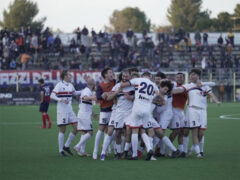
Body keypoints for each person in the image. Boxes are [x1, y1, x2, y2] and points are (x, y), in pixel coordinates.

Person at [172, 68, 221, 158]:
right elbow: (178, 90)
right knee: (189, 131)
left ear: (198, 76)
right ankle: (197, 152)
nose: (191, 76)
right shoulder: (188, 85)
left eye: (193, 74)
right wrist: (169, 90)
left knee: (201, 133)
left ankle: (194, 149)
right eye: (190, 74)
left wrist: (217, 101)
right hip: (192, 110)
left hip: (203, 111)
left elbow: (212, 94)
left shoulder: (205, 86)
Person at [120, 72, 161, 160]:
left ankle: (134, 155)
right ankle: (149, 149)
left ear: (142, 76)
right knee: (144, 130)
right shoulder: (153, 85)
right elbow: (158, 95)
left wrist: (121, 85)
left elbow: (124, 85)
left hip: (137, 107)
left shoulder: (137, 80)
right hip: (147, 110)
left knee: (135, 131)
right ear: (150, 77)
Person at [100, 69, 134, 160]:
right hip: (119, 112)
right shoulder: (117, 86)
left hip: (129, 112)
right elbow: (108, 98)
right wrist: (117, 92)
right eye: (123, 76)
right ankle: (118, 152)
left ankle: (125, 152)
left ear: (130, 77)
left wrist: (130, 98)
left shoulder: (134, 87)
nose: (124, 78)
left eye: (126, 76)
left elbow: (137, 100)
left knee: (128, 132)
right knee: (118, 132)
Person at [50, 70, 81, 157]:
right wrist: (61, 100)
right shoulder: (59, 85)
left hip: (70, 110)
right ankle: (60, 151)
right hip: (62, 111)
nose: (71, 76)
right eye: (69, 75)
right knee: (63, 130)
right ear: (65, 76)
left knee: (77, 128)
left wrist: (85, 90)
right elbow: (52, 95)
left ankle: (66, 146)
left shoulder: (70, 85)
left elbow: (75, 93)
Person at [92, 67, 116, 160]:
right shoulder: (101, 85)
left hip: (114, 110)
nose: (112, 74)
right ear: (105, 75)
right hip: (105, 110)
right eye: (110, 72)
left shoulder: (114, 82)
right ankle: (95, 151)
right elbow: (98, 97)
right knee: (100, 130)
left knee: (111, 131)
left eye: (112, 72)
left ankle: (106, 149)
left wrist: (107, 93)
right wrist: (104, 95)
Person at [74, 78, 97, 156]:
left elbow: (86, 104)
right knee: (90, 133)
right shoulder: (87, 91)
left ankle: (82, 151)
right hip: (84, 115)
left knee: (84, 132)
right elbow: (85, 98)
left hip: (82, 114)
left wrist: (93, 114)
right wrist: (93, 98)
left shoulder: (87, 90)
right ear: (93, 85)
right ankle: (77, 146)